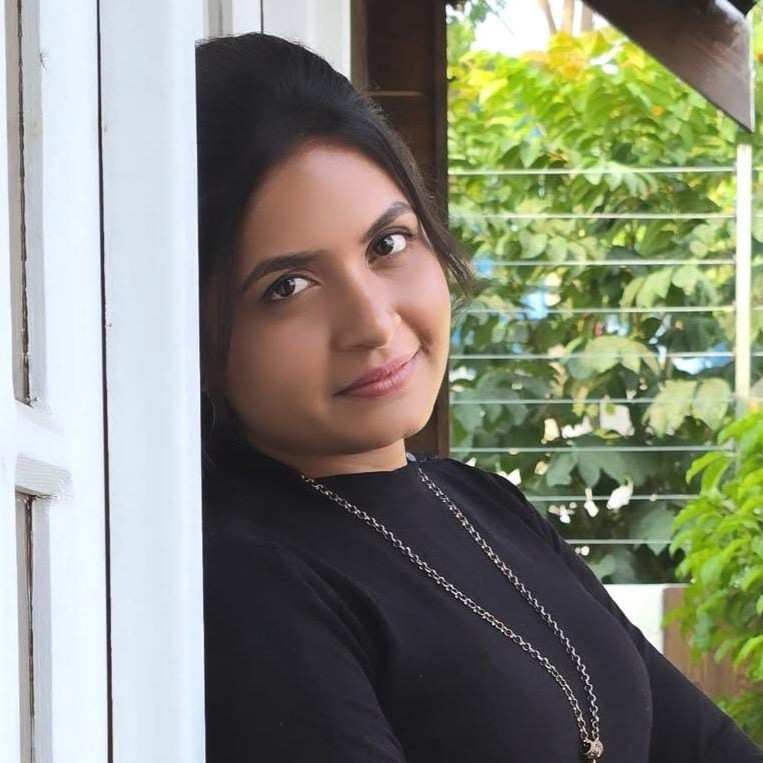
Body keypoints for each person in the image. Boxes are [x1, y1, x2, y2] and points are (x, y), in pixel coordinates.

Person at [195, 32, 763, 762]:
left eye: (387, 244)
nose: (374, 324)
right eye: (288, 287)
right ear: (196, 333)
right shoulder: (248, 579)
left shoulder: (481, 503)